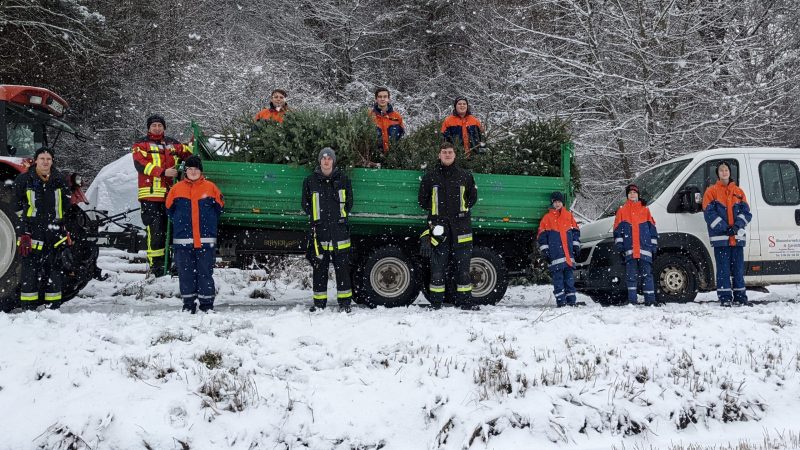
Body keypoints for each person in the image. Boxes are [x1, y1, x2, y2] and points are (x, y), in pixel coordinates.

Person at [418, 142, 479, 310]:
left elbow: (472, 198)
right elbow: (422, 201)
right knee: (437, 268)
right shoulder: (430, 177)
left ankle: (465, 303)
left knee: (463, 269)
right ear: (439, 155)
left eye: (450, 152)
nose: (447, 154)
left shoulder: (465, 176)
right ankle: (436, 303)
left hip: (462, 228)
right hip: (439, 229)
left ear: (455, 155)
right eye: (444, 152)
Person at [132, 114, 193, 277]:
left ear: (164, 127)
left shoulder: (173, 144)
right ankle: (156, 267)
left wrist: (195, 141)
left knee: (172, 231)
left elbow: (189, 152)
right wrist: (162, 172)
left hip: (171, 197)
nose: (157, 128)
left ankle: (172, 263)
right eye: (154, 126)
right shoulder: (141, 144)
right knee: (156, 232)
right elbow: (140, 164)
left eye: (160, 125)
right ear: (149, 128)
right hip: (150, 196)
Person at [12, 147, 71, 308]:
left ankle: (53, 306)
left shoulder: (60, 181)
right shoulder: (24, 180)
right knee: (29, 272)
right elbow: (16, 208)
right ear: (36, 160)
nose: (45, 162)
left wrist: (63, 229)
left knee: (54, 270)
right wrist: (23, 231)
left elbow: (65, 207)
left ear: (52, 161)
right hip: (31, 233)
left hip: (54, 232)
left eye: (48, 159)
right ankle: (29, 308)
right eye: (42, 158)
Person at [166, 156, 224, 313]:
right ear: (185, 171)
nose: (193, 172)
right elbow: (169, 210)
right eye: (190, 169)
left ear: (201, 171)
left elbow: (219, 208)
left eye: (196, 169)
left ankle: (207, 306)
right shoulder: (176, 189)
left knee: (205, 273)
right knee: (185, 274)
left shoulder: (211, 188)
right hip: (183, 241)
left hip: (205, 241)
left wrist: (207, 223)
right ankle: (188, 304)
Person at [301, 147, 354, 312]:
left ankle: (345, 305)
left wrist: (339, 219)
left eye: (329, 158)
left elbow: (349, 202)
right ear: (320, 161)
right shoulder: (310, 181)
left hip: (339, 233)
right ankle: (319, 305)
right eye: (323, 158)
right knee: (319, 269)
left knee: (342, 270)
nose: (326, 160)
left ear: (333, 161)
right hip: (320, 232)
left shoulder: (343, 180)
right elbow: (305, 204)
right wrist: (318, 220)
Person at [702, 161, 752, 307]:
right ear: (717, 173)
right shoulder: (711, 192)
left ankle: (740, 297)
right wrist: (724, 228)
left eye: (726, 170)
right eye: (721, 170)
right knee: (723, 269)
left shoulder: (739, 191)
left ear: (730, 173)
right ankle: (725, 298)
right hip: (721, 238)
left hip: (737, 238)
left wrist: (737, 226)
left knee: (738, 268)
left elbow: (746, 213)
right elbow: (709, 213)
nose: (724, 172)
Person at [613, 184, 659, 306]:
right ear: (627, 195)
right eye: (630, 192)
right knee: (631, 276)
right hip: (630, 250)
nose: (632, 194)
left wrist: (653, 247)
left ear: (638, 194)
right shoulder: (622, 211)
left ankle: (650, 300)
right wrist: (620, 247)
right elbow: (617, 232)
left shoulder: (645, 210)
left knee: (647, 275)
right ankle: (632, 301)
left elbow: (652, 230)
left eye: (634, 192)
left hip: (645, 249)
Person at [537, 191, 580, 307]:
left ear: (562, 203)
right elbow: (542, 236)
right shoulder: (547, 218)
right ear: (552, 203)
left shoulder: (568, 216)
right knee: (558, 282)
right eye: (555, 202)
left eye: (559, 202)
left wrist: (576, 246)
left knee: (570, 281)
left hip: (568, 257)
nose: (557, 204)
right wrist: (545, 251)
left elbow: (576, 231)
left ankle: (571, 302)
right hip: (555, 256)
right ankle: (561, 302)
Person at [368, 87, 405, 153]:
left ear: (388, 99)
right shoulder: (369, 116)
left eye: (385, 96)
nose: (382, 99)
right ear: (376, 99)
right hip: (374, 157)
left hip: (394, 157)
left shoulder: (397, 117)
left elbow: (402, 137)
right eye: (380, 97)